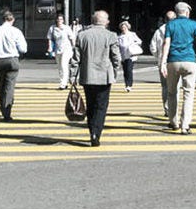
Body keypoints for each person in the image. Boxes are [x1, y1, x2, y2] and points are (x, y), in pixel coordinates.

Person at [72, 10, 118, 146]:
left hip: (88, 76)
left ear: (93, 21)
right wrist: (115, 72)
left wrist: (73, 75)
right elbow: (116, 57)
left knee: (90, 105)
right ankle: (96, 133)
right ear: (106, 22)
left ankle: (92, 130)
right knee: (101, 106)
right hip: (105, 76)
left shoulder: (82, 35)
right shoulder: (111, 36)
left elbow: (76, 59)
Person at [161, 2, 196, 134]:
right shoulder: (194, 24)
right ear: (187, 12)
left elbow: (166, 43)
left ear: (176, 13)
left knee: (172, 93)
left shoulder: (170, 25)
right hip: (189, 61)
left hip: (173, 61)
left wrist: (163, 62)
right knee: (188, 94)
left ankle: (174, 122)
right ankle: (185, 125)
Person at [0, 10, 27, 122]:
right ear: (12, 20)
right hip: (12, 60)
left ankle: (3, 107)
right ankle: (7, 111)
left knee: (1, 85)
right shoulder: (16, 31)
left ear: (2, 19)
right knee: (9, 86)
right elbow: (23, 49)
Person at [150, 10, 176, 119]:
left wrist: (159, 57)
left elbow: (153, 47)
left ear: (165, 19)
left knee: (165, 87)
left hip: (163, 63)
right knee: (175, 86)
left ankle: (167, 109)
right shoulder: (177, 29)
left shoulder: (158, 31)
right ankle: (174, 109)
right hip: (175, 61)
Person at [47, 15, 76, 89]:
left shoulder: (66, 28)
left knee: (64, 65)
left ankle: (63, 83)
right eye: (58, 19)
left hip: (67, 49)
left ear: (63, 20)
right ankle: (63, 82)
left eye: (61, 19)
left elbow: (72, 37)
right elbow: (50, 38)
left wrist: (74, 47)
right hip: (57, 49)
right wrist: (50, 47)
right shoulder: (52, 28)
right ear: (56, 20)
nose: (59, 21)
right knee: (59, 66)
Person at [115, 19, 143, 91]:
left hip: (131, 55)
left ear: (127, 27)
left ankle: (129, 85)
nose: (123, 28)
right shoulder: (119, 36)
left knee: (129, 69)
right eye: (122, 27)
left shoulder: (132, 34)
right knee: (125, 70)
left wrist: (133, 44)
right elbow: (117, 46)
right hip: (123, 55)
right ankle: (126, 84)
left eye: (125, 27)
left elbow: (139, 41)